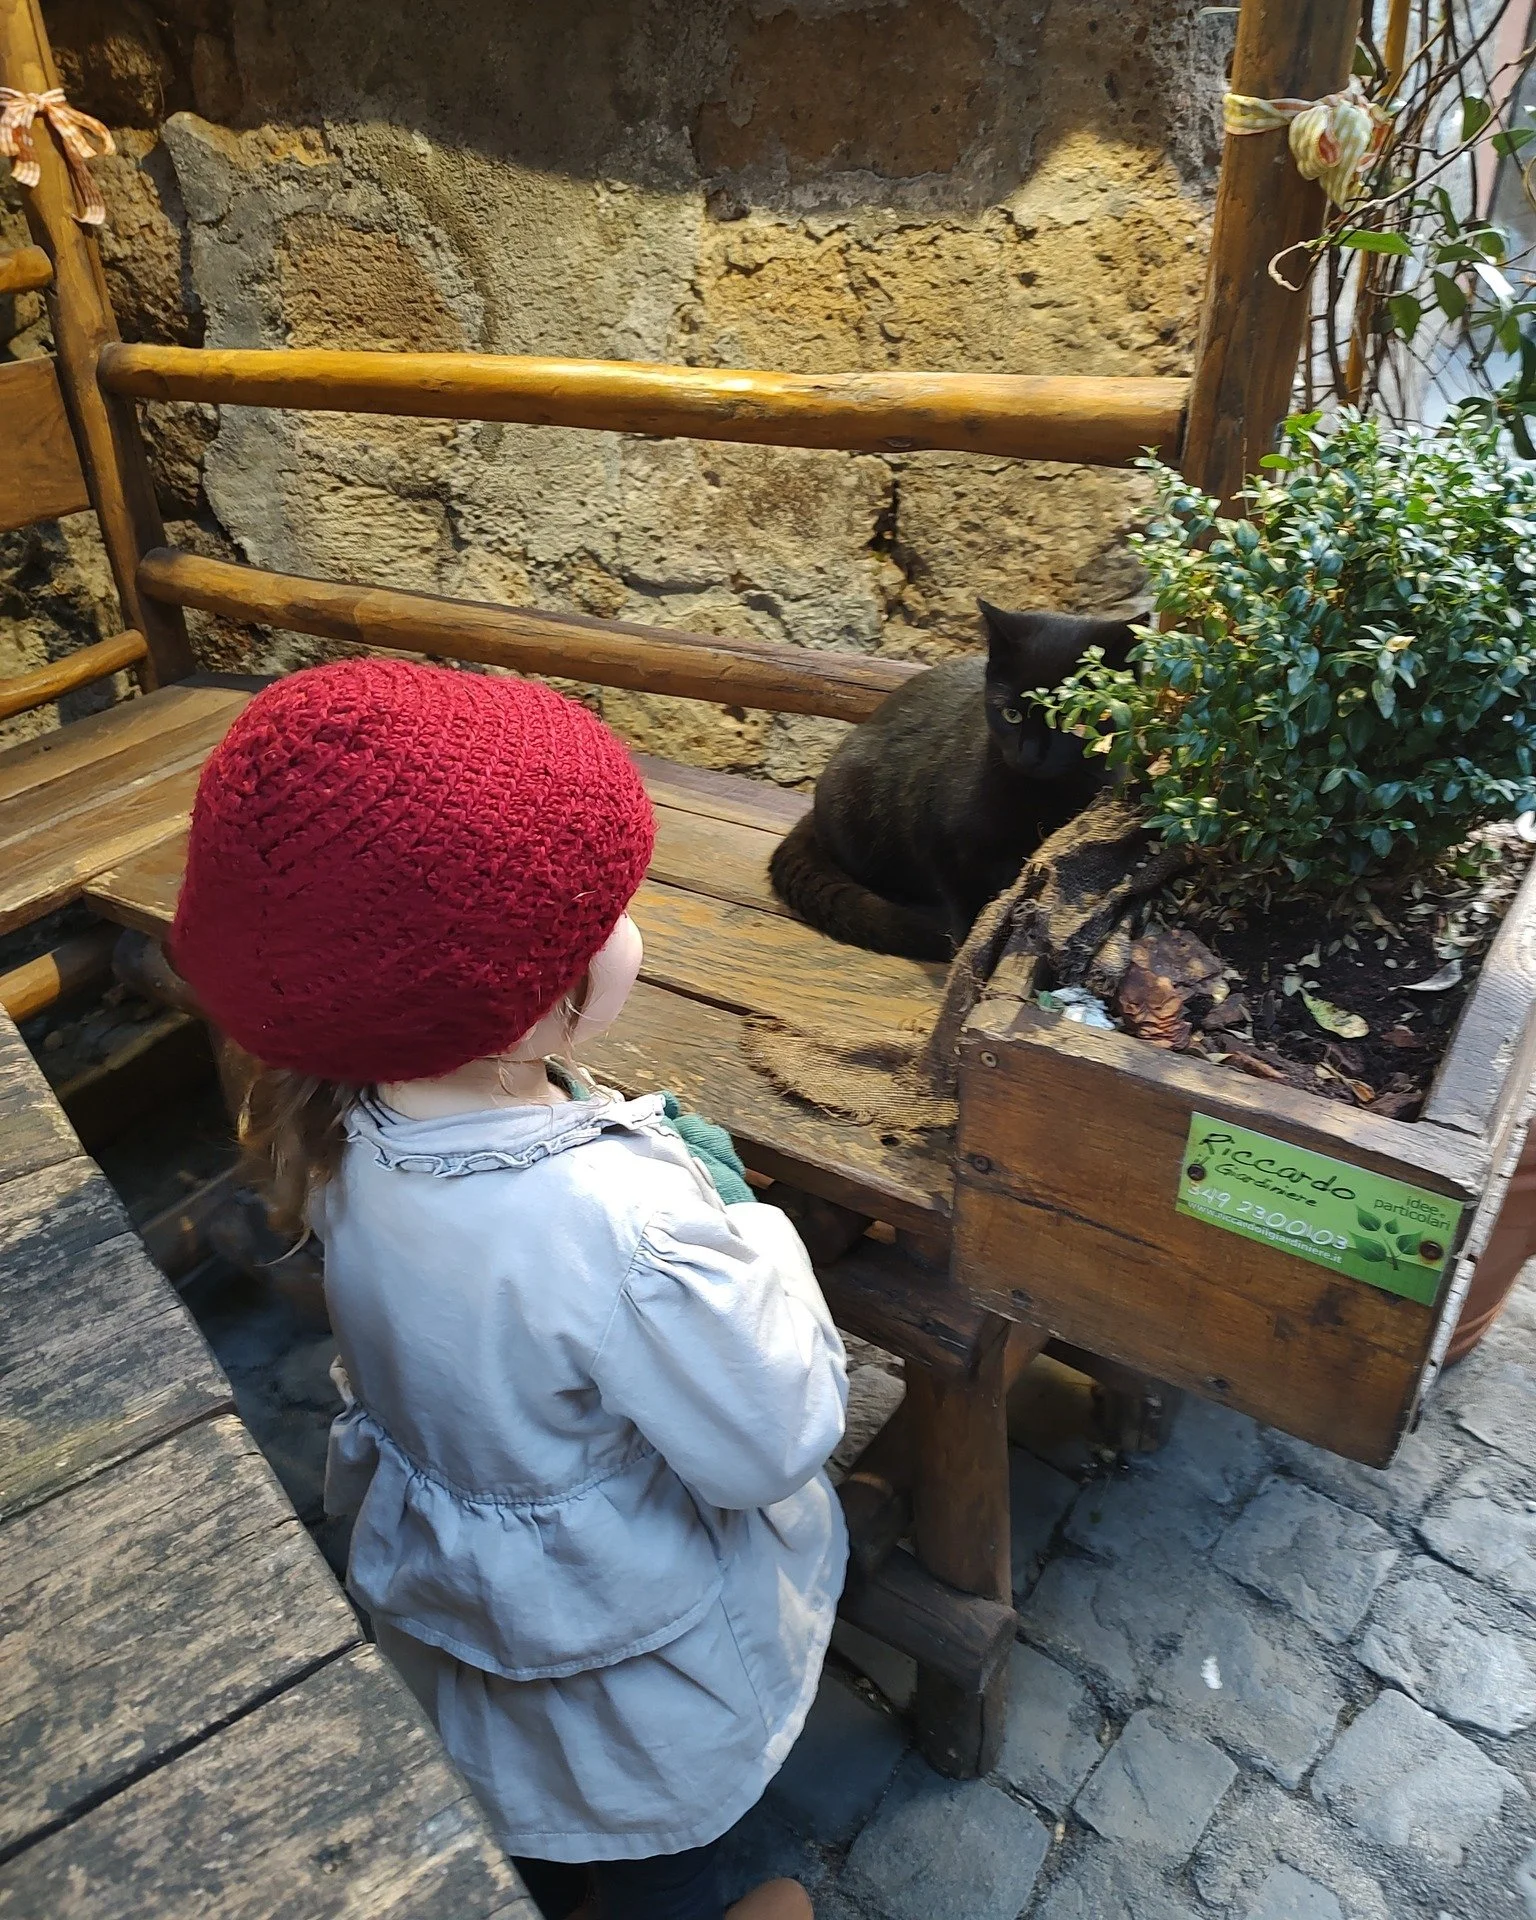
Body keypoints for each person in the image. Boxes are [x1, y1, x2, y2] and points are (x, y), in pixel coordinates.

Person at [170, 658, 850, 1920]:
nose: (627, 925)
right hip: (624, 1622)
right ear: (531, 1008)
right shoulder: (620, 1222)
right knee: (642, 1820)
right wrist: (741, 1223)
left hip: (469, 1556)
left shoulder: (336, 1116)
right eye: (607, 911)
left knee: (532, 1759)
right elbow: (774, 1435)